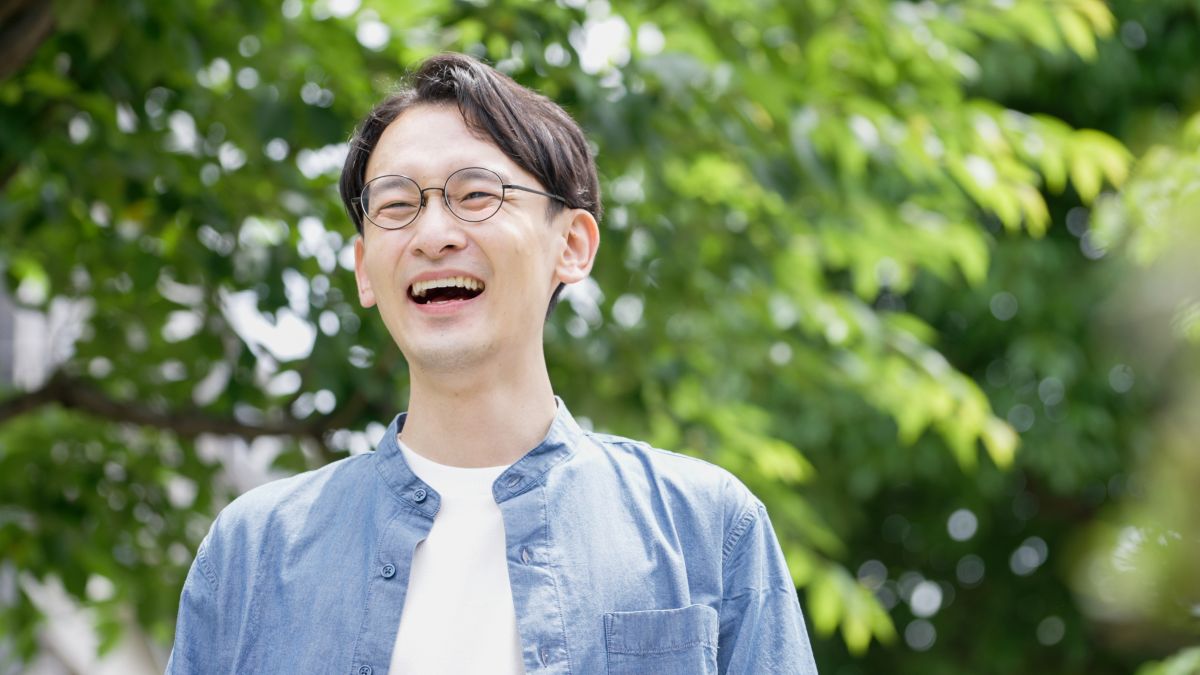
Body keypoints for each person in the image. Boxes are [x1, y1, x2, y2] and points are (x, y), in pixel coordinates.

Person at [166, 52, 818, 675]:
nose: (433, 235)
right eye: (396, 205)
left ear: (572, 244)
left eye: (476, 194)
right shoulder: (252, 552)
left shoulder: (707, 528)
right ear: (364, 268)